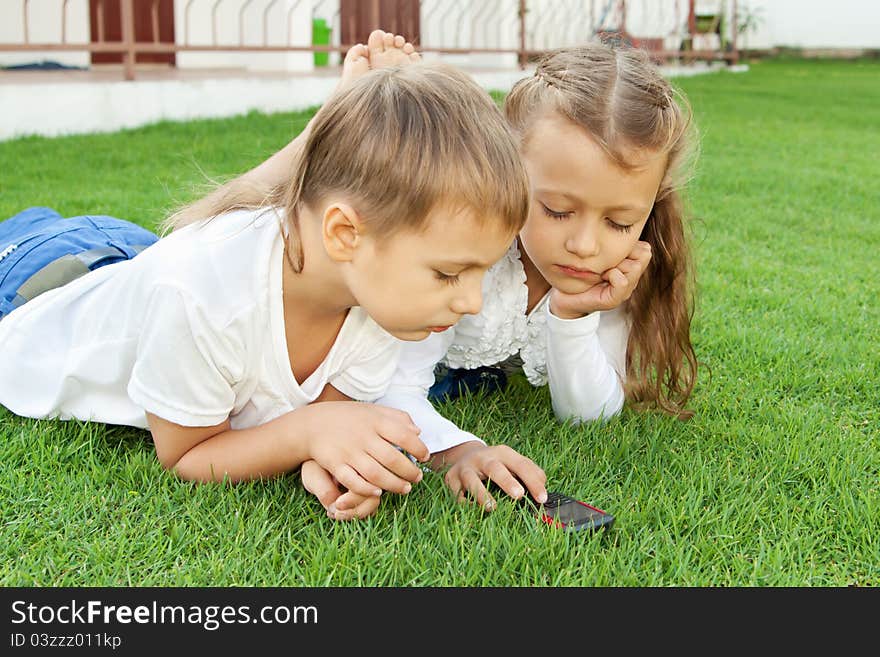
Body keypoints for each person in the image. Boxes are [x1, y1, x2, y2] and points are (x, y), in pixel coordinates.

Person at [0, 38, 535, 513]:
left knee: (167, 254)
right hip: (39, 280)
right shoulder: (204, 296)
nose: (471, 303)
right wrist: (307, 433)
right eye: (448, 274)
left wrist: (329, 453)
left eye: (479, 275)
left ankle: (329, 133)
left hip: (145, 269)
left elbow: (323, 416)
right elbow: (187, 453)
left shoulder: (375, 303)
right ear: (346, 235)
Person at [324, 40, 701, 520]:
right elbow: (390, 387)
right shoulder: (459, 251)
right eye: (557, 210)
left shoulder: (620, 269)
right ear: (509, 168)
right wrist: (462, 450)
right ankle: (385, 108)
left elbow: (590, 416)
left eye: (620, 222)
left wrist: (573, 315)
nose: (586, 246)